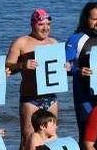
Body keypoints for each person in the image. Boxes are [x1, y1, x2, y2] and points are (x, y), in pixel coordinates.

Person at [6, 9, 64, 141]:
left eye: (48, 24)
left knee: (51, 137)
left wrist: (65, 67)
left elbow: (58, 70)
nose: (45, 28)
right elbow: (7, 66)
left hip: (51, 97)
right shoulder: (21, 42)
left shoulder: (54, 43)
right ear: (32, 25)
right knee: (28, 137)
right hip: (30, 97)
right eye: (41, 25)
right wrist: (22, 65)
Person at [66, 2, 97, 140]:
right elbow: (64, 67)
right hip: (83, 96)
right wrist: (77, 70)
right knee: (87, 131)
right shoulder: (76, 40)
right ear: (86, 19)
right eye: (95, 19)